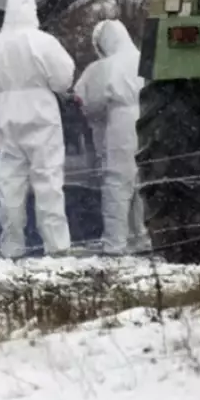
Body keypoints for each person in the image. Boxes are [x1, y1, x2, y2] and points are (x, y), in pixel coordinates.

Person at [0, 0, 75, 259]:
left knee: (9, 184)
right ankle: (56, 246)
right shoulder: (43, 41)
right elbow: (63, 78)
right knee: (48, 181)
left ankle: (12, 246)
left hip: (7, 117)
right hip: (42, 116)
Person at [74, 19, 152, 255]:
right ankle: (141, 236)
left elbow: (89, 103)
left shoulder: (105, 67)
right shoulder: (146, 59)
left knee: (117, 182)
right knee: (142, 183)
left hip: (121, 123)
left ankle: (115, 242)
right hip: (149, 118)